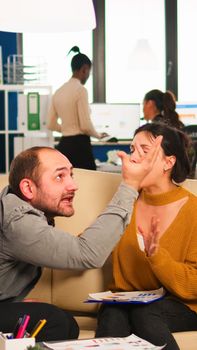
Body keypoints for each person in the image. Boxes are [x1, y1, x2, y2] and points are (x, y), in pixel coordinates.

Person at [0, 141, 161, 342]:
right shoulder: (17, 220)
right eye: (60, 176)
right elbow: (87, 253)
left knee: (68, 324)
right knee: (54, 320)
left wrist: (14, 304)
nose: (73, 186)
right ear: (28, 188)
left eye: (71, 174)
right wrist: (130, 185)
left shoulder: (17, 206)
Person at [96, 123, 197, 350]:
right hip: (126, 301)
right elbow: (91, 244)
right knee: (112, 313)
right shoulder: (125, 201)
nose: (134, 157)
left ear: (168, 163)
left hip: (183, 305)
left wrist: (157, 257)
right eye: (132, 149)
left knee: (145, 313)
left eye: (144, 150)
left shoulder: (193, 210)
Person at [47, 46, 106, 170]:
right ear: (84, 69)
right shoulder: (81, 90)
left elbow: (50, 124)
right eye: (89, 72)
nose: (88, 75)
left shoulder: (58, 91)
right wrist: (99, 135)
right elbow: (85, 125)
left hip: (64, 146)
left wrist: (67, 128)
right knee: (88, 184)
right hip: (80, 147)